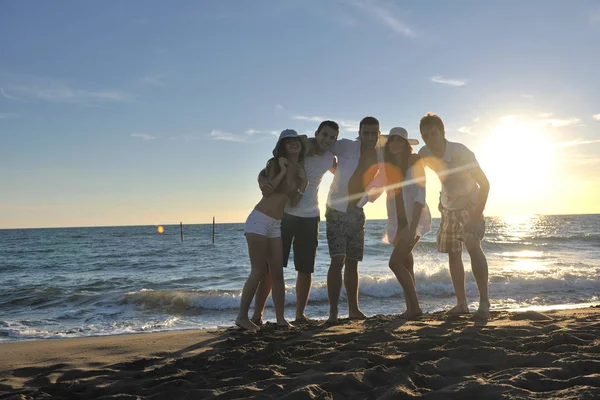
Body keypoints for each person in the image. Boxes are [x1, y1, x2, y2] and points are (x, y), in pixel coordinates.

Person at [251, 121, 339, 325]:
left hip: (311, 216)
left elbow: (347, 168)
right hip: (285, 215)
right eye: (324, 135)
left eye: (332, 137)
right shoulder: (301, 147)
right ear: (316, 134)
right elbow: (270, 166)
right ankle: (257, 315)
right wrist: (262, 178)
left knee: (305, 268)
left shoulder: (329, 158)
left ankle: (300, 315)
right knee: (270, 268)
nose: (327, 140)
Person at [418, 112, 491, 320]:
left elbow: (485, 184)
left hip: (470, 203)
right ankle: (461, 304)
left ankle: (484, 302)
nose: (430, 139)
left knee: (472, 245)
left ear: (443, 132)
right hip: (447, 206)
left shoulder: (461, 152)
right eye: (425, 136)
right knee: (453, 253)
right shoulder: (425, 152)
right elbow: (408, 162)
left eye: (433, 134)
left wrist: (476, 216)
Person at [235, 129, 308, 330]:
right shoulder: (275, 163)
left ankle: (281, 320)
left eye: (296, 140)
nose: (293, 143)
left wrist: (304, 182)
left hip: (276, 223)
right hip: (259, 220)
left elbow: (293, 200)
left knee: (277, 273)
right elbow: (267, 190)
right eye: (288, 141)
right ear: (282, 146)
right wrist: (283, 172)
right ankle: (242, 317)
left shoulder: (300, 167)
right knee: (259, 271)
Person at [364, 127, 432, 319]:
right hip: (397, 223)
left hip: (413, 223)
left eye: (399, 141)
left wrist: (412, 228)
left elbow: (420, 197)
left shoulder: (415, 164)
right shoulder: (388, 167)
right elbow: (373, 190)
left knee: (394, 263)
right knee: (407, 264)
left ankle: (416, 308)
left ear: (405, 144)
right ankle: (410, 308)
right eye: (392, 140)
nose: (395, 144)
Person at [325, 116, 383, 324]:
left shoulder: (380, 155)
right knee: (337, 259)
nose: (369, 137)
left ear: (378, 134)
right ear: (359, 133)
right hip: (336, 210)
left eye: (373, 133)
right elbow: (324, 144)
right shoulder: (347, 147)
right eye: (365, 132)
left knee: (352, 262)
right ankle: (332, 313)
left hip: (357, 210)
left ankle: (353, 309)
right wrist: (331, 166)